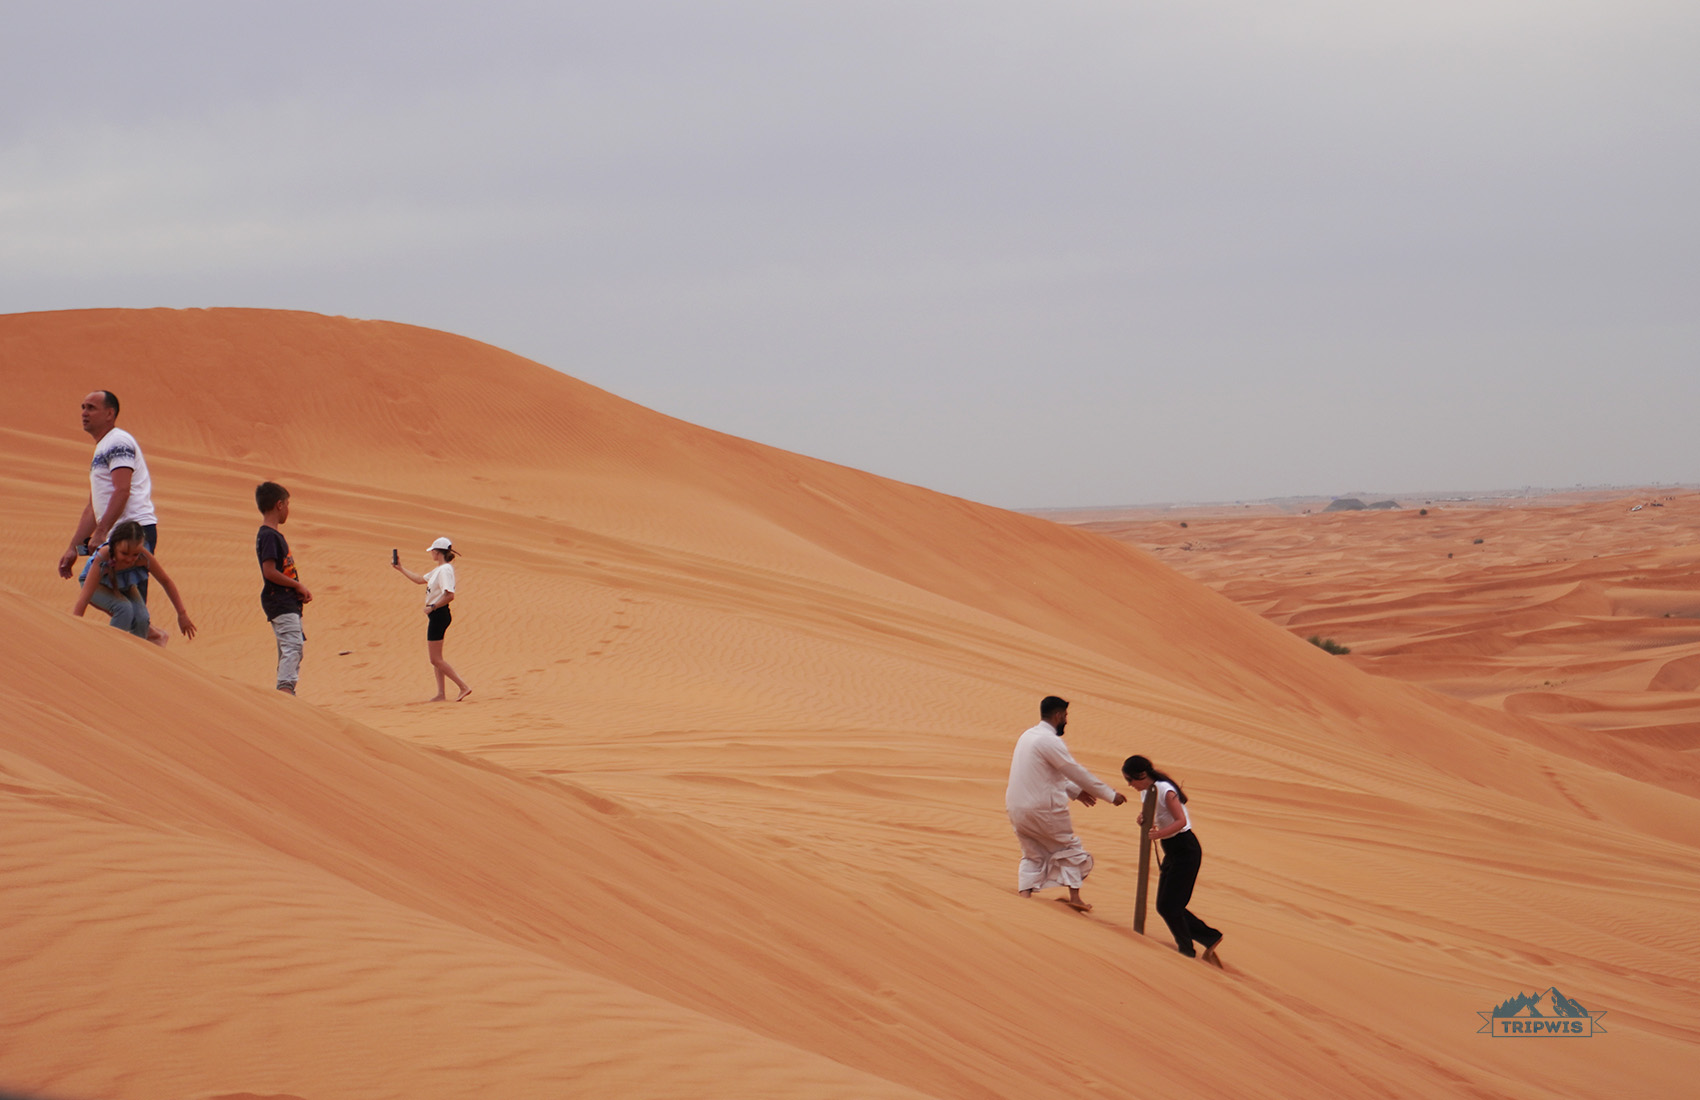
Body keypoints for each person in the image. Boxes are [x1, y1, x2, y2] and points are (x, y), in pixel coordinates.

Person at [1005, 696, 1126, 911]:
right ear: (1058, 715)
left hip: (1016, 807)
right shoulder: (1049, 741)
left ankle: (1024, 897)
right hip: (1042, 808)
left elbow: (1049, 773)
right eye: (1066, 716)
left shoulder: (1028, 736)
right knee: (1070, 848)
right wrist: (1110, 794)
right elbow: (1073, 770)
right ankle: (1075, 898)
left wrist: (1076, 792)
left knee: (1032, 853)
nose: (1067, 721)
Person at [57, 391, 160, 600]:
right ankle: (151, 634)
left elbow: (122, 490)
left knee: (130, 603)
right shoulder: (103, 447)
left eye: (91, 408)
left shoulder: (118, 442)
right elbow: (91, 508)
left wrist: (100, 532)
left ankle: (151, 634)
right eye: (83, 407)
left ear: (109, 414)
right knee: (122, 600)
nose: (84, 413)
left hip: (133, 532)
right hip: (117, 533)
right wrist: (73, 548)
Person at [1124, 754, 1224, 966]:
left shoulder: (1164, 790)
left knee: (1171, 906)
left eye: (1130, 780)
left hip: (1185, 849)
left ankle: (1187, 949)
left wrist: (1159, 834)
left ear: (1141, 776)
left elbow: (1181, 821)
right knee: (1165, 906)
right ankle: (1209, 937)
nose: (1129, 785)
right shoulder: (1147, 792)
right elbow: (1152, 814)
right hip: (1172, 850)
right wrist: (1143, 818)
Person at [71, 519, 196, 646]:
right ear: (114, 546)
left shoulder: (143, 557)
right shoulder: (104, 556)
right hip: (97, 584)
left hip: (125, 585)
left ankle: (137, 653)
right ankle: (112, 650)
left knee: (142, 619)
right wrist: (74, 625)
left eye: (135, 554)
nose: (130, 559)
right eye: (124, 553)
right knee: (124, 608)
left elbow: (166, 581)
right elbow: (85, 596)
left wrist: (182, 614)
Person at [392, 536, 472, 702]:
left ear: (438, 552)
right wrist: (401, 569)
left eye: (432, 551)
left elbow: (450, 595)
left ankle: (463, 687)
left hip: (439, 614)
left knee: (435, 659)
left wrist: (433, 606)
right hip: (437, 614)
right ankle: (441, 694)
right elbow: (420, 580)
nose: (431, 554)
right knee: (437, 658)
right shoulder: (439, 570)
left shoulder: (445, 570)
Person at [255, 481, 310, 695]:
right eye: (287, 503)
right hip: (279, 601)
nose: (288, 509)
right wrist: (297, 584)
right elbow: (269, 571)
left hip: (285, 601)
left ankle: (285, 691)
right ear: (279, 505)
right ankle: (285, 693)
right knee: (293, 646)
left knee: (289, 647)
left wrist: (296, 590)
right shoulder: (269, 535)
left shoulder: (272, 535)